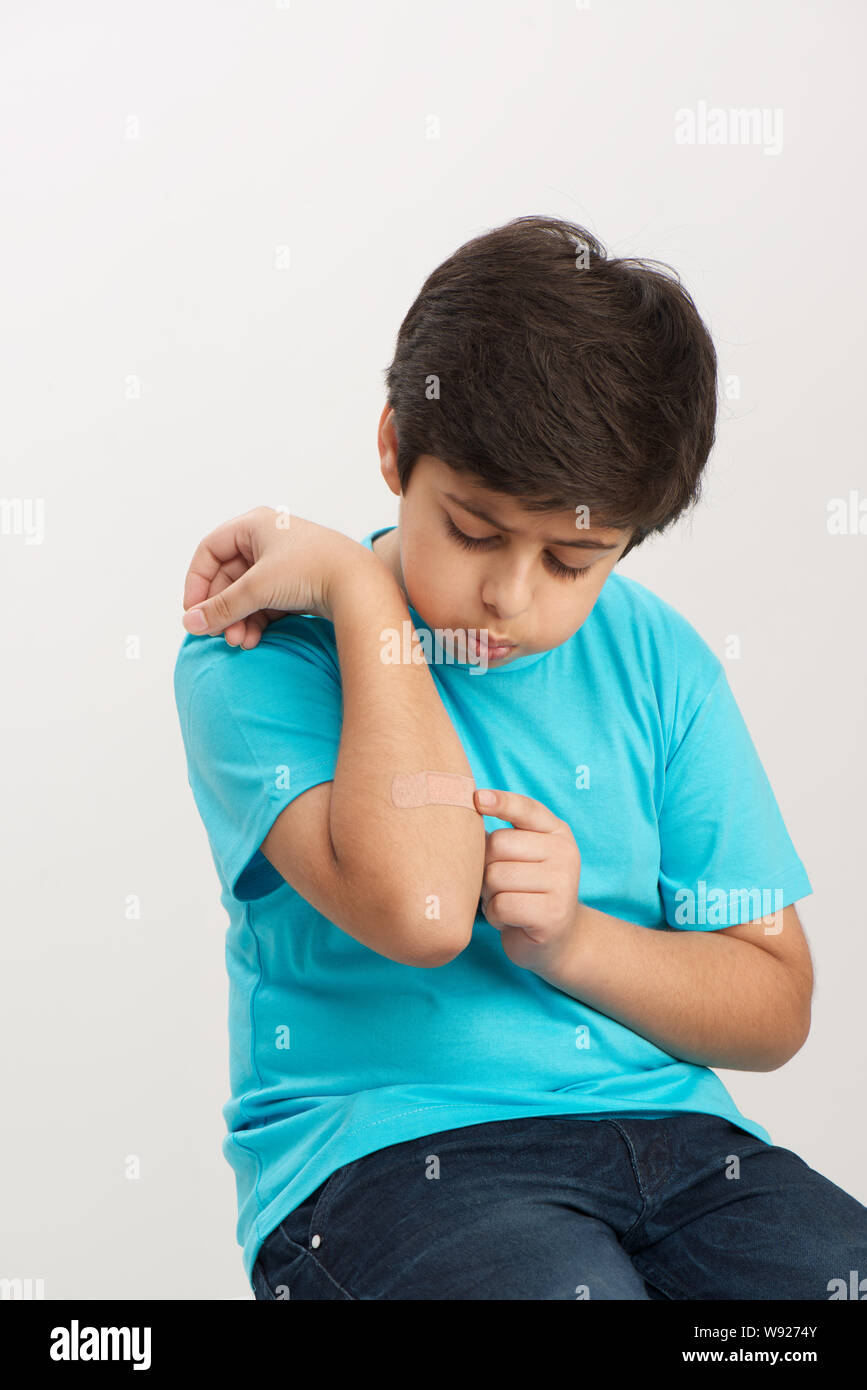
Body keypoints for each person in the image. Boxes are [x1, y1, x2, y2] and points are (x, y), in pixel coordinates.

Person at [173, 215, 867, 1300]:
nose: (512, 596)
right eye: (476, 531)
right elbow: (425, 911)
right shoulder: (262, 654)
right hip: (385, 1161)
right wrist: (363, 597)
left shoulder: (659, 660)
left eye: (574, 559)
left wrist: (577, 939)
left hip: (683, 1147)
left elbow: (775, 1004)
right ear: (395, 446)